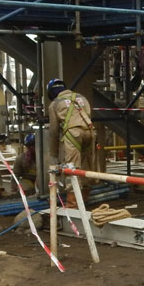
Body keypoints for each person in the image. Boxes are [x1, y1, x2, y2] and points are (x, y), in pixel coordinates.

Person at [46, 78, 98, 206]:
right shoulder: (82, 98)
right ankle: (85, 198)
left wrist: (53, 154)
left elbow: (54, 131)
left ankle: (73, 204)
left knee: (72, 169)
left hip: (73, 135)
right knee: (86, 167)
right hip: (90, 133)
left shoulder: (55, 104)